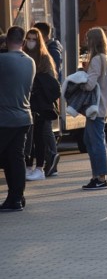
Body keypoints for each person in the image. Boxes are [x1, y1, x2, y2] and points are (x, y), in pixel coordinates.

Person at [0, 26, 36, 211]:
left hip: (4, 119)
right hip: (23, 118)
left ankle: (14, 198)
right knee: (15, 158)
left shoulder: (3, 60)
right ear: (23, 42)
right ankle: (16, 198)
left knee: (10, 159)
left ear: (6, 42)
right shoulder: (30, 62)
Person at [23, 28, 61, 181]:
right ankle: (30, 166)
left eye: (34, 39)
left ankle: (41, 166)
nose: (31, 42)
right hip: (27, 102)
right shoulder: (24, 55)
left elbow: (51, 83)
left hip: (40, 104)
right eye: (29, 38)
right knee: (29, 137)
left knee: (40, 135)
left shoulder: (44, 58)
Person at [81, 27, 107, 190]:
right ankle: (97, 176)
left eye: (88, 39)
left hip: (96, 107)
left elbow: (90, 85)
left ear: (93, 41)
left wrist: (80, 79)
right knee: (91, 140)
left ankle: (100, 177)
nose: (86, 43)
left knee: (96, 142)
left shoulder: (96, 60)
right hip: (104, 105)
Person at [33, 22, 63, 176]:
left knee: (45, 129)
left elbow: (52, 77)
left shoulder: (51, 50)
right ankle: (51, 158)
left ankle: (52, 156)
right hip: (44, 97)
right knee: (44, 130)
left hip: (45, 98)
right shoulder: (51, 49)